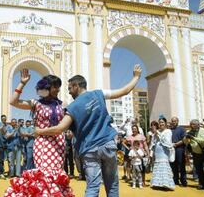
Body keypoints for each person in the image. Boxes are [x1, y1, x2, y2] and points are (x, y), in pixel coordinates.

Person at [35, 64, 142, 196]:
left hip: (89, 149)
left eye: (69, 88)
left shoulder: (72, 107)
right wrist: (136, 77)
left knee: (92, 186)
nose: (68, 92)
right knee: (112, 184)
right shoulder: (98, 94)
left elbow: (60, 128)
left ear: (76, 86)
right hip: (107, 144)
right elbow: (124, 91)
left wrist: (40, 131)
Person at [6, 69, 74, 196]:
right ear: (47, 87)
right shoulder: (35, 103)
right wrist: (22, 83)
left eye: (59, 87)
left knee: (56, 172)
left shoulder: (62, 104)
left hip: (58, 143)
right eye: (55, 87)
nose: (58, 90)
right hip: (42, 143)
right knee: (44, 173)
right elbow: (13, 101)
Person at [184, 119, 204, 192]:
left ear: (198, 125)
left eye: (193, 124)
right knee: (198, 169)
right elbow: (185, 141)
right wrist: (186, 137)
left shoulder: (203, 130)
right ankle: (201, 184)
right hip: (196, 152)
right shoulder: (189, 132)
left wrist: (193, 138)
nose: (191, 125)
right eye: (191, 124)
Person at [150, 117, 175, 190]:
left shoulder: (168, 131)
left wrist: (158, 133)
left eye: (162, 122)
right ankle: (157, 183)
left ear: (165, 123)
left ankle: (166, 183)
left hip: (164, 151)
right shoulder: (157, 131)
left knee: (164, 165)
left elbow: (167, 142)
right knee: (157, 165)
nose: (161, 124)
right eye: (160, 122)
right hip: (157, 151)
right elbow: (153, 142)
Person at [170, 117, 187, 187]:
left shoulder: (182, 129)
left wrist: (176, 144)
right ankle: (175, 180)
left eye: (175, 121)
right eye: (172, 121)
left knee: (181, 165)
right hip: (172, 149)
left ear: (177, 121)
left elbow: (184, 139)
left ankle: (183, 181)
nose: (173, 122)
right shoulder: (170, 130)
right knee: (173, 165)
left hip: (180, 149)